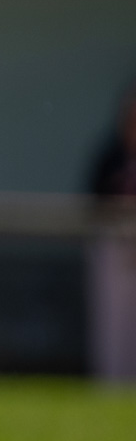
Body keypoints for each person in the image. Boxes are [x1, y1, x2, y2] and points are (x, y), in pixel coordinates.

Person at [87, 85, 136, 384]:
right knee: (112, 323)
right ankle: (111, 382)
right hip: (115, 246)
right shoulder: (110, 156)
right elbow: (94, 198)